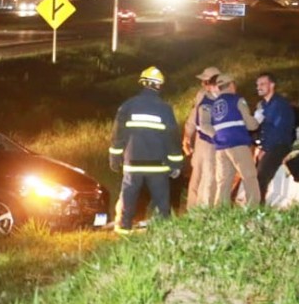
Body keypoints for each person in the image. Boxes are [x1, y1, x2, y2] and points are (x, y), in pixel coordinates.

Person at [109, 66, 183, 232]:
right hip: (158, 165)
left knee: (129, 196)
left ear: (142, 83)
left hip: (133, 163)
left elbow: (118, 136)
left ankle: (124, 228)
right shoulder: (165, 109)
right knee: (162, 200)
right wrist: (176, 164)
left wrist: (114, 158)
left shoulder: (127, 106)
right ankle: (164, 230)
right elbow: (172, 138)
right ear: (159, 85)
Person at [204, 74, 260, 207]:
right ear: (231, 85)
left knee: (224, 180)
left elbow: (209, 125)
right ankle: (253, 208)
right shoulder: (237, 99)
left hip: (221, 146)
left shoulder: (213, 104)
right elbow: (250, 124)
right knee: (249, 176)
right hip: (237, 143)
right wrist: (258, 119)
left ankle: (220, 211)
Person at [182, 67, 221, 209]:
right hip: (200, 141)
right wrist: (187, 136)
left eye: (205, 82)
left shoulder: (224, 97)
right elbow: (193, 116)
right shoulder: (201, 95)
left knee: (210, 176)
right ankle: (192, 209)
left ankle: (205, 209)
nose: (202, 85)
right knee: (197, 174)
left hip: (214, 142)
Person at [253, 72, 296, 203]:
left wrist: (264, 149)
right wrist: (259, 146)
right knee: (257, 176)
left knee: (260, 177)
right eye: (257, 85)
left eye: (262, 84)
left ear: (272, 85)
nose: (259, 87)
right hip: (268, 145)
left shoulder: (280, 105)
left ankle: (257, 210)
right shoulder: (263, 105)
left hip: (279, 145)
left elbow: (279, 130)